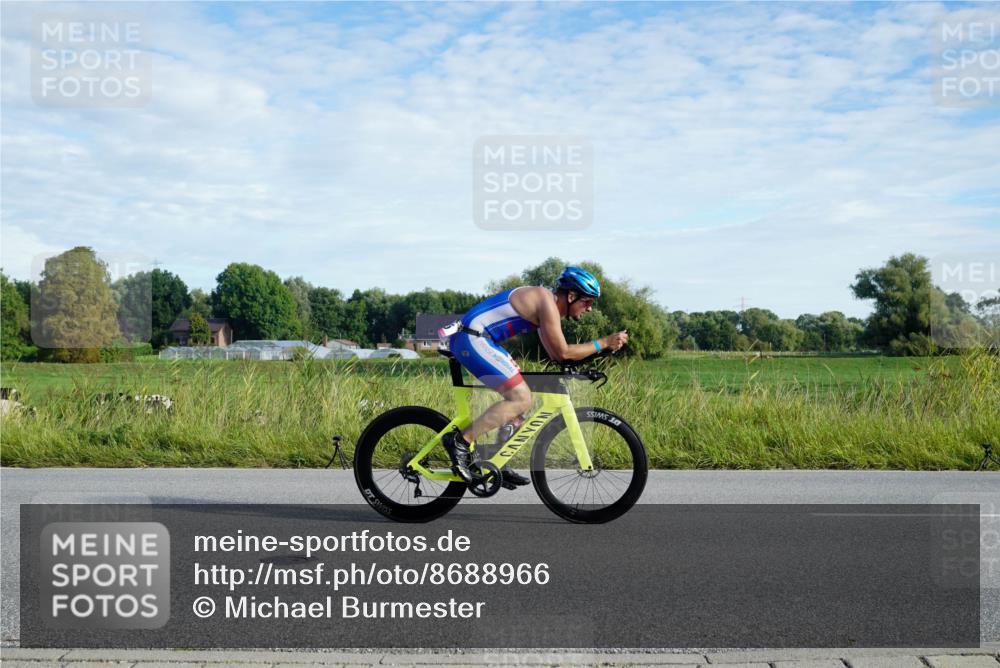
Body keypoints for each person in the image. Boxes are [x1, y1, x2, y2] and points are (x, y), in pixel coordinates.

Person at [441, 266, 629, 487]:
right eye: (587, 302)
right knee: (521, 397)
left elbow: (557, 357)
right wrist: (603, 342)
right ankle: (460, 442)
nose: (589, 309)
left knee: (522, 399)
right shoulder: (545, 302)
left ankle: (495, 460)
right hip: (473, 338)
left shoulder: (547, 308)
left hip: (482, 339)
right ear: (571, 296)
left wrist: (597, 355)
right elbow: (563, 352)